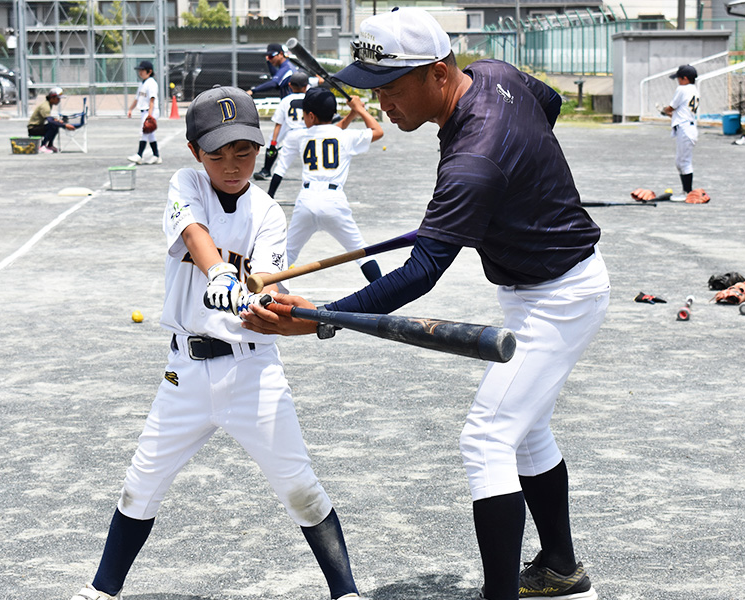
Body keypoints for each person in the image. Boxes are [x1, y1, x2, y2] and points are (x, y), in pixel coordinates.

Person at [242, 7, 608, 600]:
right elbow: (548, 108)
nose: (382, 102)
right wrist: (518, 189)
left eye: (390, 87)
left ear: (438, 73)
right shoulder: (495, 74)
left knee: (486, 438)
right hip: (537, 284)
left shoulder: (474, 159)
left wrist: (319, 318)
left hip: (561, 296)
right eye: (374, 89)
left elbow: (422, 272)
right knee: (526, 426)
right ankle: (560, 566)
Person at [69, 85, 365, 600]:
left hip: (253, 372)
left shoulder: (269, 212)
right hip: (184, 374)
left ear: (259, 148)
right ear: (195, 153)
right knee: (140, 486)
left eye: (244, 151)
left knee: (301, 489)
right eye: (218, 153)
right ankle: (100, 593)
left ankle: (346, 593)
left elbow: (270, 284)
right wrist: (221, 275)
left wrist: (289, 310)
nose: (232, 164)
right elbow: (194, 234)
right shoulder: (186, 183)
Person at [266, 87, 384, 283]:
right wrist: (360, 110)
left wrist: (352, 113)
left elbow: (329, 130)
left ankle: (262, 295)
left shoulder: (299, 136)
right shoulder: (345, 136)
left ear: (311, 116)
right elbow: (377, 131)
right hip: (334, 201)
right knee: (361, 252)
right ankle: (384, 294)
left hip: (306, 199)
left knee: (287, 254)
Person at [254, 71, 311, 180]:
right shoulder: (311, 99)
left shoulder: (285, 100)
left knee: (282, 163)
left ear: (289, 85)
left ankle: (266, 171)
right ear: (306, 86)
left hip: (291, 132)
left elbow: (278, 124)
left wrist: (273, 143)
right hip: (308, 132)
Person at [661, 65, 699, 200]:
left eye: (679, 78)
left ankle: (688, 193)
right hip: (688, 127)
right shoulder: (694, 89)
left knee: (684, 162)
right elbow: (681, 112)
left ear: (685, 78)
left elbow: (671, 107)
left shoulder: (682, 89)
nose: (678, 81)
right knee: (680, 162)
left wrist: (664, 110)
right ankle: (686, 191)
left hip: (685, 129)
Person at [127, 60, 161, 165]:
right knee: (150, 135)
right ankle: (156, 156)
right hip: (144, 111)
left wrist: (150, 115)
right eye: (139, 70)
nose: (140, 72)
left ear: (149, 71)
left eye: (142, 70)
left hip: (150, 111)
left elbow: (152, 99)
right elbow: (137, 98)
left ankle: (139, 155)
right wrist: (130, 109)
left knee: (144, 133)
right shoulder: (142, 83)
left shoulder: (151, 83)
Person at [27, 87, 75, 154]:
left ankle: (50, 145)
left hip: (38, 127)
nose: (59, 101)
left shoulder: (49, 104)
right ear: (52, 98)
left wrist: (56, 120)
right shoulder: (45, 106)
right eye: (58, 99)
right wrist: (65, 125)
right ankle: (43, 146)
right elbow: (50, 121)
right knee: (53, 125)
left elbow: (49, 118)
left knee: (55, 124)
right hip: (33, 129)